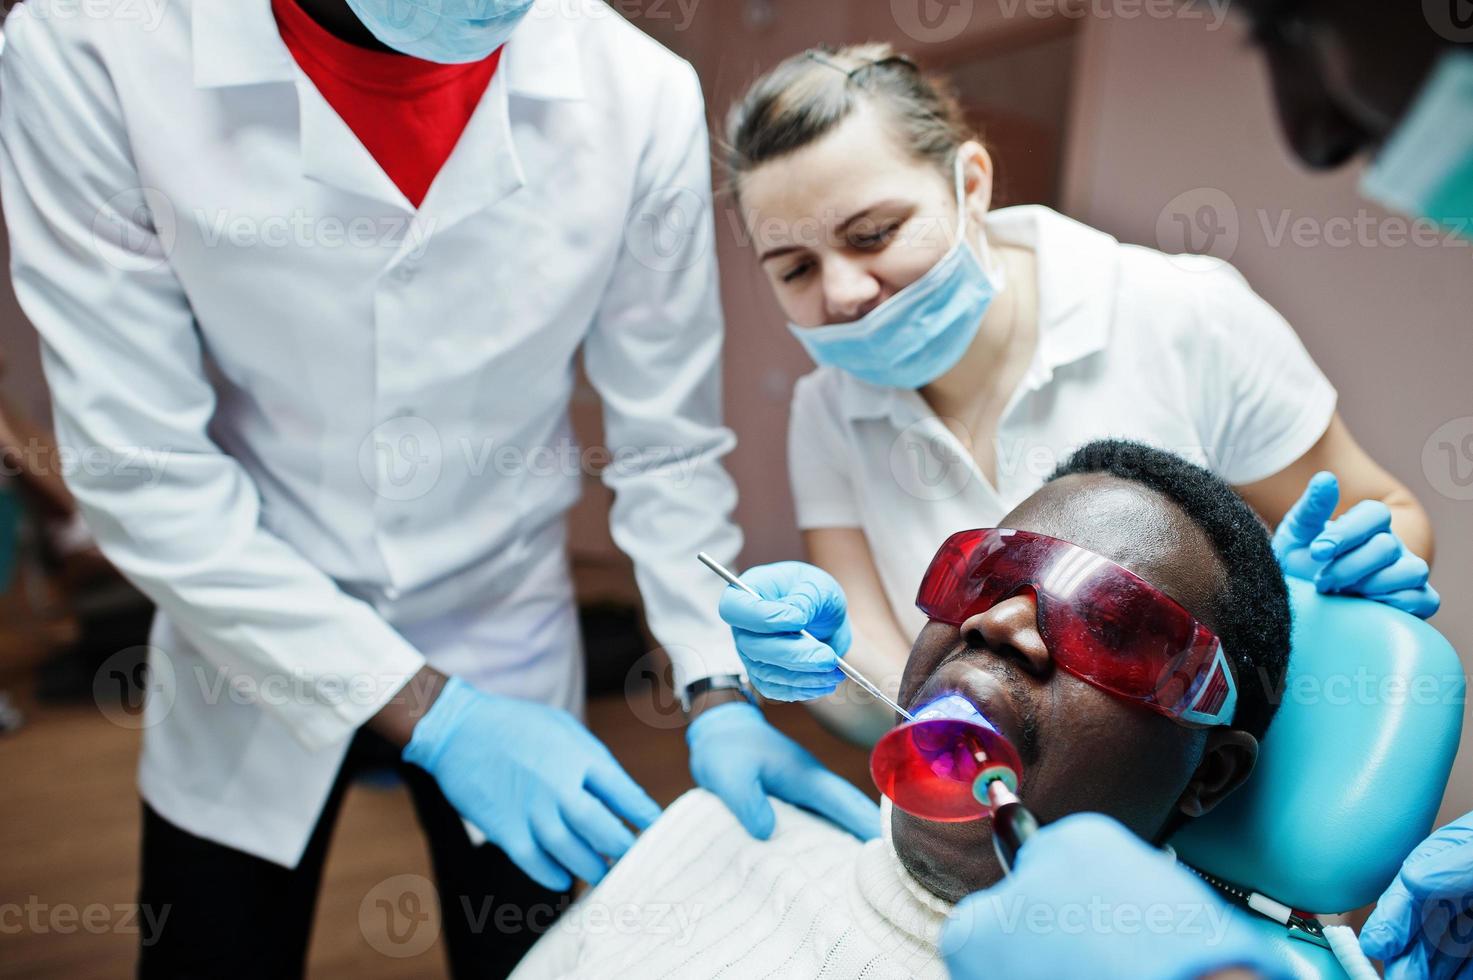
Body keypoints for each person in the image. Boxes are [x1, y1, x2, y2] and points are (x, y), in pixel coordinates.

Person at [0, 1, 875, 975]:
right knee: (213, 946)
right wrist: (438, 715)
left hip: (505, 630)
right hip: (248, 633)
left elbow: (665, 448)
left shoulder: (639, 92)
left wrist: (718, 688)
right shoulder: (96, 46)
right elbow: (144, 469)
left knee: (533, 955)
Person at [944, 3, 1473, 977]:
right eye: (977, 578)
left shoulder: (1180, 310)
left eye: (1292, 29)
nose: (1313, 137)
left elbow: (1387, 505)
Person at [717, 42, 1438, 742]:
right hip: (981, 810)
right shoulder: (827, 410)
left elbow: (1392, 514)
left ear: (969, 185)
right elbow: (888, 702)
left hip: (1210, 800)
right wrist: (823, 669)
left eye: (874, 234)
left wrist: (1335, 600)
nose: (843, 293)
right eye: (794, 270)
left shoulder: (1181, 314)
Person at [507, 439, 1298, 979]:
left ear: (1210, 772)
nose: (997, 623)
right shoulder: (715, 836)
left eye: (1111, 625)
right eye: (984, 578)